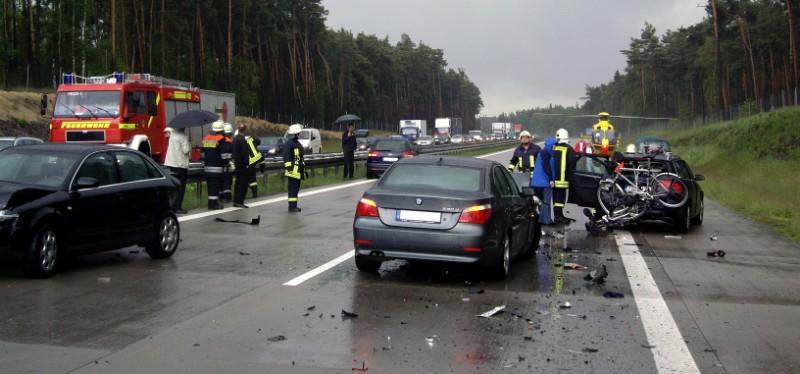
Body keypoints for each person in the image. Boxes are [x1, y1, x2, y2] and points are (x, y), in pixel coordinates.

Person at [232, 124, 263, 208]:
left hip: (236, 165)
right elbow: (245, 154)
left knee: (237, 184)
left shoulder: (234, 139)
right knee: (243, 185)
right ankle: (240, 202)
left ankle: (235, 201)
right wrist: (247, 164)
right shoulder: (243, 140)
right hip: (243, 165)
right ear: (245, 130)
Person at [552, 128, 577, 224]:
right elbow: (572, 164)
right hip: (563, 179)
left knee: (555, 198)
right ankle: (558, 217)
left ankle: (558, 215)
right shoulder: (569, 149)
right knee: (560, 198)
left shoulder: (554, 148)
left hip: (554, 179)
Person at [163, 127, 191, 214]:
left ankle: (172, 206)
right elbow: (186, 150)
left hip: (171, 164)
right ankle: (178, 207)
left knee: (174, 186)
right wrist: (189, 143)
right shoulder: (183, 136)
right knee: (181, 187)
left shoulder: (173, 135)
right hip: (180, 165)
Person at [531, 136, 556, 225]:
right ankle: (546, 220)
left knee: (542, 202)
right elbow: (547, 167)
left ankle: (542, 219)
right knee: (546, 202)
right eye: (554, 146)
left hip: (537, 182)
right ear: (550, 145)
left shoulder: (543, 152)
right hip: (544, 182)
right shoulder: (546, 153)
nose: (555, 148)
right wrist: (550, 180)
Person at [202, 121, 227, 210]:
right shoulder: (221, 139)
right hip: (216, 168)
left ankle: (212, 203)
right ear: (221, 130)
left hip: (207, 167)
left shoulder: (206, 138)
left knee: (210, 187)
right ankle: (213, 205)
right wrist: (227, 163)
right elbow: (224, 155)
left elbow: (203, 153)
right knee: (215, 187)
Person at [283, 124, 306, 213]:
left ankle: (294, 206)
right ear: (296, 133)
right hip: (292, 171)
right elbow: (287, 156)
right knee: (293, 189)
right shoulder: (289, 144)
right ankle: (292, 207)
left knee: (296, 189)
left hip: (297, 171)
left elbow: (299, 157)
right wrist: (289, 168)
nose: (300, 134)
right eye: (299, 133)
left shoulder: (296, 143)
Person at [220, 122, 235, 202]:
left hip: (221, 166)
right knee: (227, 182)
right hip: (228, 166)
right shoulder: (231, 142)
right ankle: (227, 197)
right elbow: (233, 155)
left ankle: (221, 197)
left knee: (221, 182)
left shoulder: (220, 142)